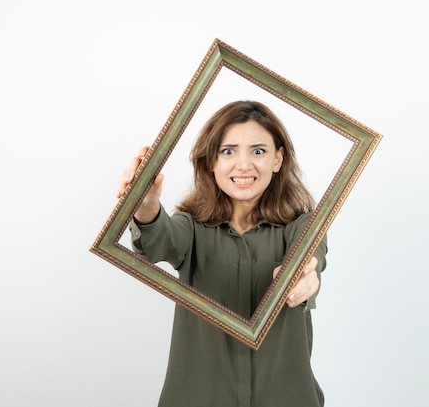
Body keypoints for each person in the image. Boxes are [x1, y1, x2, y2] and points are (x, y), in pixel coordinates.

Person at [117, 100, 328, 407]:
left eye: (258, 151)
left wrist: (304, 278)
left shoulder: (303, 227)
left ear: (278, 159)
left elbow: (311, 256)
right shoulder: (190, 228)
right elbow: (158, 241)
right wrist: (146, 204)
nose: (243, 165)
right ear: (211, 162)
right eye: (228, 151)